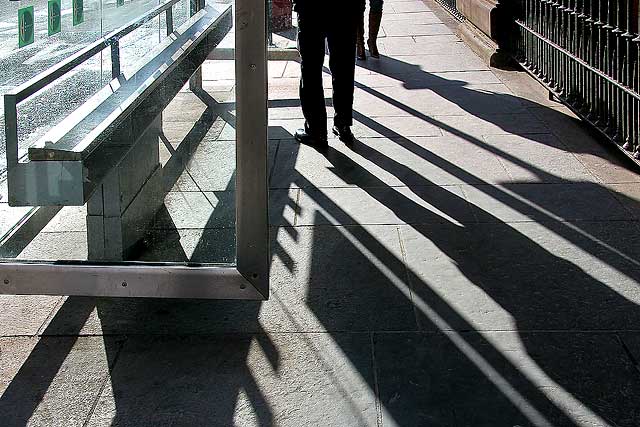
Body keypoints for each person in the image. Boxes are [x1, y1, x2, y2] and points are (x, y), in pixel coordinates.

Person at [292, 0, 364, 147]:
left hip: (312, 8)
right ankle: (343, 124)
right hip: (347, 8)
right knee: (344, 67)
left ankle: (316, 130)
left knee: (311, 68)